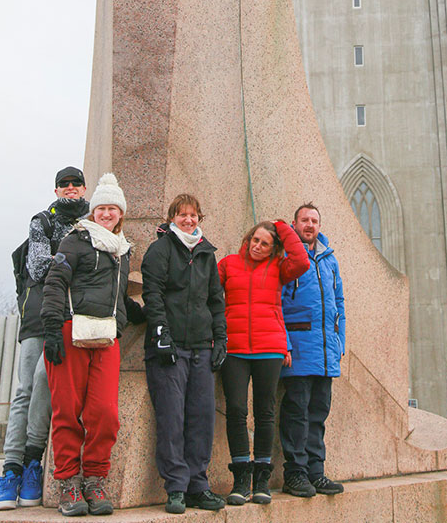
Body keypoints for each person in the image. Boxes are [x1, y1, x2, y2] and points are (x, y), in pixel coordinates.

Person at [41, 173, 144, 516]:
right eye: (101, 207)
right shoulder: (75, 239)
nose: (107, 213)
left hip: (106, 335)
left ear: (121, 213)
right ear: (93, 210)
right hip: (71, 332)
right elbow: (55, 282)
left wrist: (133, 314)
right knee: (67, 412)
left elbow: (115, 292)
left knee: (105, 414)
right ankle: (69, 483)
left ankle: (95, 479)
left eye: (113, 208)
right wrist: (53, 328)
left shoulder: (122, 249)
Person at [0, 166, 90, 511]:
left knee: (47, 384)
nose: (71, 189)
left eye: (76, 183)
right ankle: (11, 468)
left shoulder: (92, 221)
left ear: (84, 187)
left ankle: (33, 461)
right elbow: (37, 266)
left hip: (71, 312)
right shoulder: (43, 221)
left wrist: (64, 261)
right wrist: (75, 264)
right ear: (56, 190)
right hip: (37, 312)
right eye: (64, 184)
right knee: (26, 389)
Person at [141, 194, 227, 514]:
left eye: (193, 215)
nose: (188, 220)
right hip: (170, 348)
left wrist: (220, 339)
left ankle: (197, 484)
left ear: (199, 219)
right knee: (172, 419)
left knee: (201, 419)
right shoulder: (160, 250)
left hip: (201, 347)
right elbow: (153, 294)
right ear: (172, 217)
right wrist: (161, 331)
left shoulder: (205, 253)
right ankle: (176, 487)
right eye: (182, 215)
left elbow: (215, 300)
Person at [217, 219, 309, 505]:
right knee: (235, 410)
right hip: (234, 348)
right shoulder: (228, 264)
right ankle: (241, 476)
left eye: (265, 243)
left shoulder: (279, 268)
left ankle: (262, 479)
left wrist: (282, 226)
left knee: (265, 412)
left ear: (273, 249)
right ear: (248, 239)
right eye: (255, 240)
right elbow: (209, 297)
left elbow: (302, 261)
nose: (258, 246)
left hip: (269, 348)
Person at [279, 203, 345, 497]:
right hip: (298, 348)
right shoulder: (286, 257)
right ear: (294, 224)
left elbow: (338, 302)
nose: (309, 224)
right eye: (304, 220)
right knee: (297, 413)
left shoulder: (329, 259)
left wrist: (339, 340)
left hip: (326, 351)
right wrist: (284, 344)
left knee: (318, 413)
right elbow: (276, 304)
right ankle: (295, 473)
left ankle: (316, 472)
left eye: (314, 220)